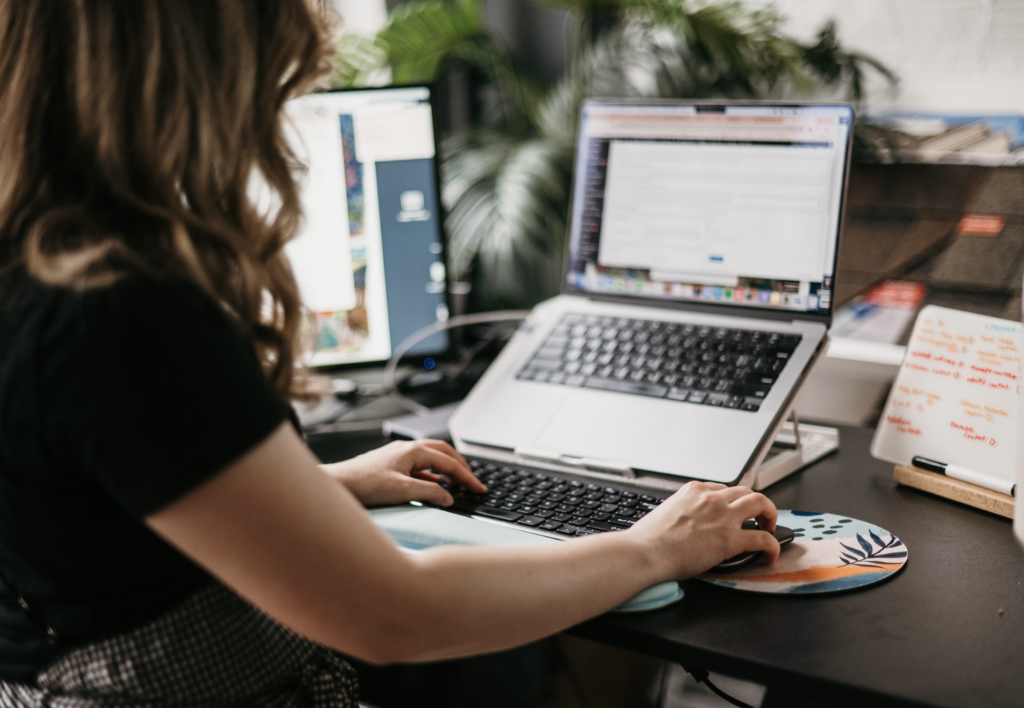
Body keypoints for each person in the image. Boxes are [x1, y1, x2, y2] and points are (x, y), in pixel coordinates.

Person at [0, 1, 781, 705]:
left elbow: (91, 525)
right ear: (203, 82)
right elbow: (395, 614)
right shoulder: (119, 312)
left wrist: (319, 490)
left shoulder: (33, 264)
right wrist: (653, 547)